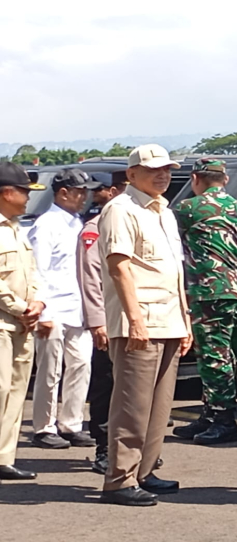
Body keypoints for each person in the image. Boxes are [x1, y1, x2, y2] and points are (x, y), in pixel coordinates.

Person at [98, 144, 192, 507]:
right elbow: (119, 267)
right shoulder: (121, 209)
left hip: (168, 319)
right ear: (131, 174)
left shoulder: (164, 211)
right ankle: (120, 479)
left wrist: (185, 320)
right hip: (142, 321)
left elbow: (174, 271)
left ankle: (144, 471)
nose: (162, 175)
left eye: (167, 169)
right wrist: (135, 320)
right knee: (132, 405)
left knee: (160, 406)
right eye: (153, 170)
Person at [172, 158, 237, 445]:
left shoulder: (186, 209)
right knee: (226, 355)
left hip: (211, 291)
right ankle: (209, 415)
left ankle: (223, 419)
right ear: (225, 179)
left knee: (213, 357)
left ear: (195, 178)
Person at [28, 168, 100, 450]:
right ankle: (44, 427)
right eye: (79, 191)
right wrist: (43, 313)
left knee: (81, 365)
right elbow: (38, 270)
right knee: (50, 370)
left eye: (86, 192)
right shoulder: (46, 224)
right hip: (54, 308)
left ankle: (71, 423)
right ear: (63, 193)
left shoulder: (77, 222)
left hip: (77, 308)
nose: (84, 197)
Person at [77, 170, 129, 473]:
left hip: (141, 318)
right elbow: (91, 280)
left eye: (101, 190)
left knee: (135, 388)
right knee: (106, 385)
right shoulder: (94, 230)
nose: (94, 195)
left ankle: (135, 449)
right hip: (110, 320)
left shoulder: (140, 222)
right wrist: (97, 323)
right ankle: (104, 447)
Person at [0, 163, 46, 480]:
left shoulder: (17, 227)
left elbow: (33, 272)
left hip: (23, 324)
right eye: (25, 191)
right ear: (6, 192)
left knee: (16, 392)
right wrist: (20, 307)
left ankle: (4, 457)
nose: (28, 198)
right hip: (4, 322)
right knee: (0, 390)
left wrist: (38, 302)